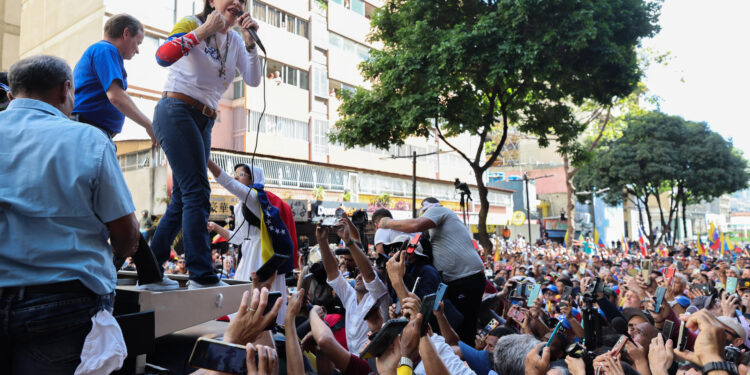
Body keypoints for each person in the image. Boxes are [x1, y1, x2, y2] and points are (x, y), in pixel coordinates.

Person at [0, 55, 139, 374]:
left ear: (11, 96)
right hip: (63, 304)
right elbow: (127, 236)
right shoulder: (90, 140)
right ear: (66, 90)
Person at [147, 0, 262, 289]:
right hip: (176, 109)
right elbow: (162, 56)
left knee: (183, 198)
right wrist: (205, 30)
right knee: (197, 191)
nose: (238, 2)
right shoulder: (192, 22)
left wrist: (250, 43)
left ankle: (150, 267)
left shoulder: (235, 40)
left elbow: (253, 79)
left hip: (205, 120)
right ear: (212, 1)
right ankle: (202, 274)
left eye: (243, 0)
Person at [378, 197, 486, 343]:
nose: (394, 252)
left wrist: (387, 222)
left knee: (464, 331)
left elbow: (416, 224)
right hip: (454, 281)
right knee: (457, 328)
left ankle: (467, 359)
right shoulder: (429, 240)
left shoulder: (438, 210)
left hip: (466, 278)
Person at [206, 160, 294, 324]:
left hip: (261, 256)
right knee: (244, 305)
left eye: (240, 174)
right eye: (235, 174)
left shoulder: (255, 198)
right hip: (247, 256)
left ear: (253, 179)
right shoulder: (240, 206)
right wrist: (216, 227)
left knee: (261, 305)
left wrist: (208, 161)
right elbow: (239, 238)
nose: (236, 178)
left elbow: (228, 183)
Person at [72, 14, 155, 142]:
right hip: (88, 129)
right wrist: (149, 125)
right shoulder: (106, 50)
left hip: (92, 130)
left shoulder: (103, 51)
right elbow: (116, 97)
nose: (137, 50)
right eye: (138, 43)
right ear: (126, 33)